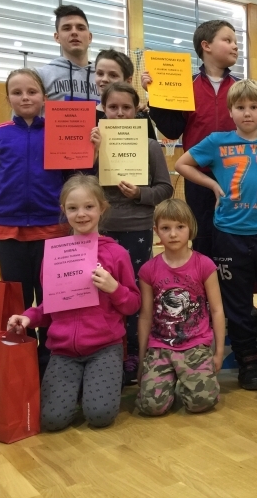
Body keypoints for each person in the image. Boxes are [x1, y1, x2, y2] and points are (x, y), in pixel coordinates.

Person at [175, 80, 257, 391]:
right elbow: (182, 164)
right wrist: (213, 185)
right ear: (230, 111)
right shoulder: (217, 141)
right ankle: (248, 363)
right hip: (229, 235)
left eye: (254, 107)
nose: (247, 113)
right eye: (240, 107)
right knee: (238, 302)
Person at [0, 69, 96, 377]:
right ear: (8, 98)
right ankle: (23, 367)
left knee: (52, 303)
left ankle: (51, 366)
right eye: (17, 92)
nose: (25, 97)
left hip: (53, 232)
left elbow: (76, 177)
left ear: (44, 97)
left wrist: (91, 149)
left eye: (31, 91)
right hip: (9, 234)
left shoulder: (59, 131)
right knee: (17, 305)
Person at [7, 174, 141, 431]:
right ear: (63, 210)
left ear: (102, 208)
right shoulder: (54, 255)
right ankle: (78, 389)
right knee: (52, 421)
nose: (81, 214)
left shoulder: (116, 253)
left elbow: (133, 305)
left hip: (104, 348)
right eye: (73, 208)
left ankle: (91, 387)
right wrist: (28, 318)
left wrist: (114, 289)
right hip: (63, 350)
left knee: (100, 416)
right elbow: (48, 307)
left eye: (89, 206)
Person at [142, 20, 257, 258]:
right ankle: (206, 281)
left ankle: (235, 280)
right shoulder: (186, 86)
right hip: (198, 176)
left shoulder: (242, 88)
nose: (235, 46)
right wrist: (156, 97)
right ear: (206, 46)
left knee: (236, 237)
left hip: (237, 176)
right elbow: (172, 130)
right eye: (228, 40)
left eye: (235, 42)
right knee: (203, 236)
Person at [92, 82, 173, 385]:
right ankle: (107, 351)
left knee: (134, 293)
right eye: (113, 107)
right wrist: (94, 155)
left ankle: (135, 354)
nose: (120, 113)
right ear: (103, 109)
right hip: (100, 230)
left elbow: (165, 188)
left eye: (126, 107)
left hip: (137, 228)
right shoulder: (93, 143)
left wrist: (140, 194)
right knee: (103, 294)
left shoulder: (150, 146)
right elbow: (78, 183)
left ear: (137, 111)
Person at [136, 199, 225, 415]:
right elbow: (146, 316)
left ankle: (187, 383)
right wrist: (142, 359)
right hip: (160, 346)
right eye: (166, 228)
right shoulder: (148, 270)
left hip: (195, 345)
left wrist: (218, 352)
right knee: (150, 407)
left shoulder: (204, 264)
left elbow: (217, 310)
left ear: (190, 228)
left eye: (180, 227)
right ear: (156, 231)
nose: (173, 234)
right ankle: (168, 384)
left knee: (201, 402)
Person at [36, 5, 99, 102]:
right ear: (57, 37)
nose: (74, 32)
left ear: (90, 37)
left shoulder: (104, 77)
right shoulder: (41, 76)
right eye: (67, 28)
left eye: (80, 28)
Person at [94, 49, 157, 140]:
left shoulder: (140, 116)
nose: (104, 79)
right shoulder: (87, 118)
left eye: (113, 75)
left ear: (128, 81)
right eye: (100, 73)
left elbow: (151, 147)